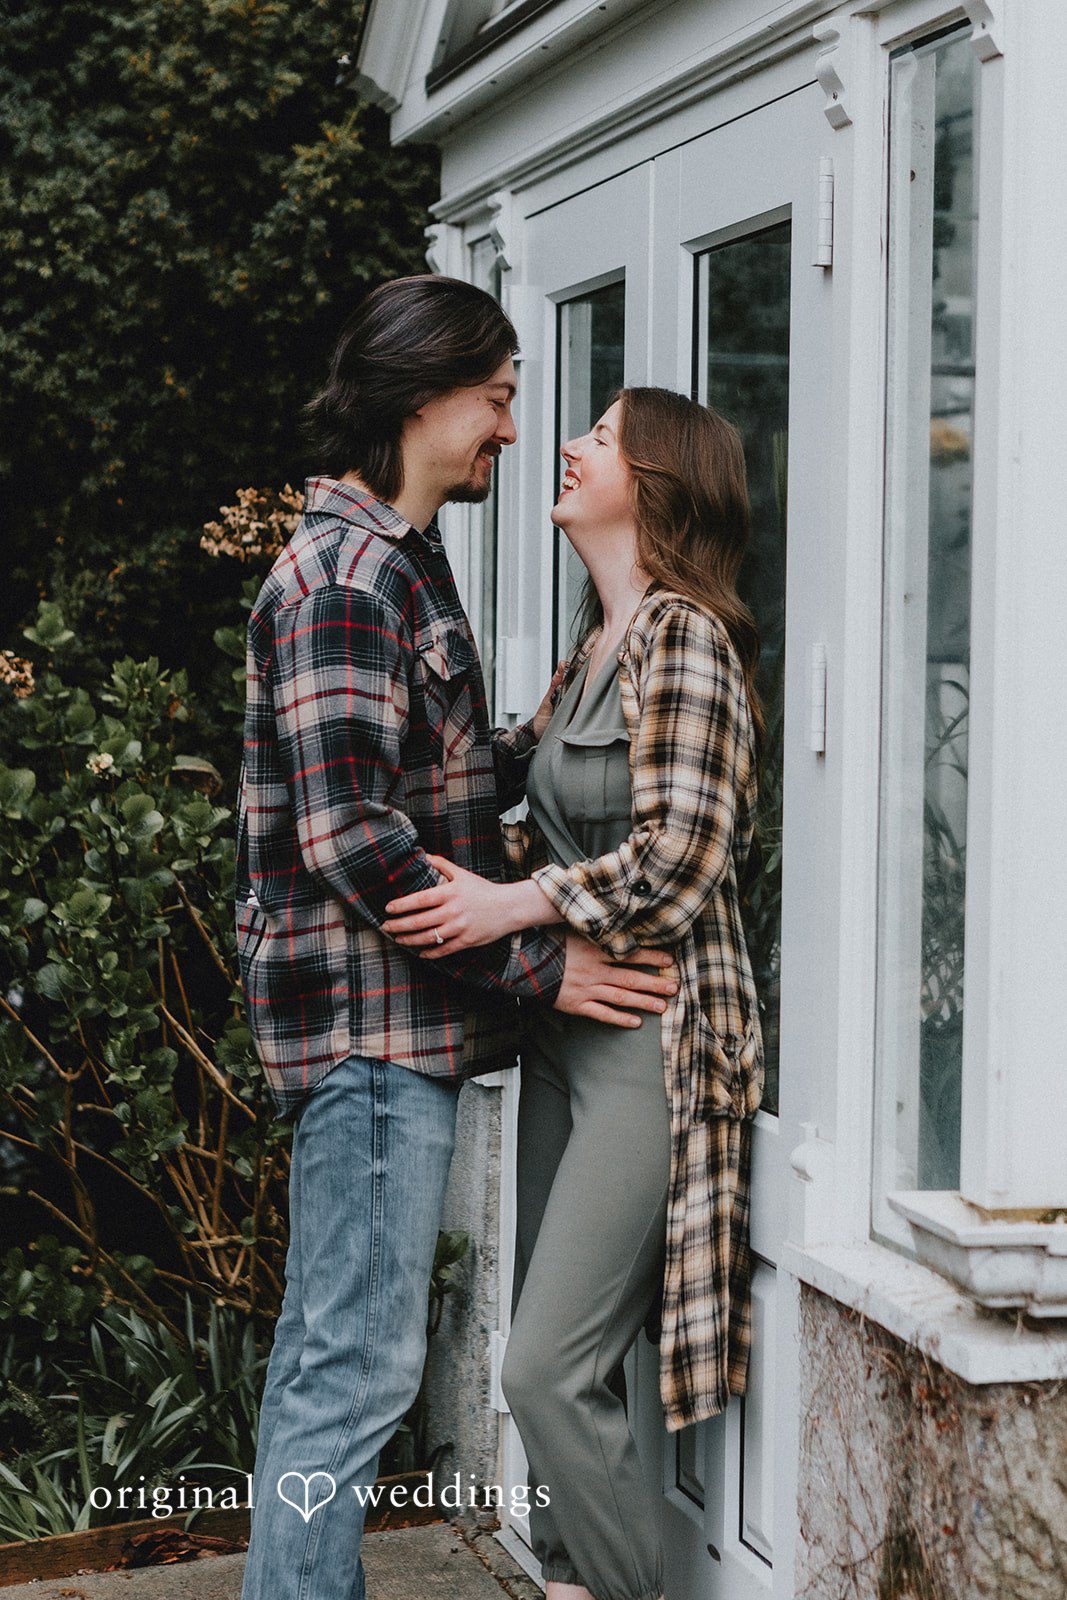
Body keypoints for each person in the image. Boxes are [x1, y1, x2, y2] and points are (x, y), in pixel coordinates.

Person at [234, 279, 680, 1600]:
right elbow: (356, 842)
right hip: (368, 1034)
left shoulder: (400, 561)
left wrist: (540, 737)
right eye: (494, 398)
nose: (507, 428)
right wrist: (547, 963)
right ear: (422, 395)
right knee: (353, 1371)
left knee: (335, 1361)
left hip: (388, 1031)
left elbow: (414, 783)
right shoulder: (343, 576)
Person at [382, 386, 765, 1600]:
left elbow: (682, 852)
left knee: (547, 1364)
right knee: (546, 1367)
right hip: (564, 1035)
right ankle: (567, 1583)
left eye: (597, 438)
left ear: (652, 484)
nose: (564, 444)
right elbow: (504, 788)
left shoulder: (682, 638)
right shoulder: (588, 649)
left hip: (653, 1045)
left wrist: (511, 905)